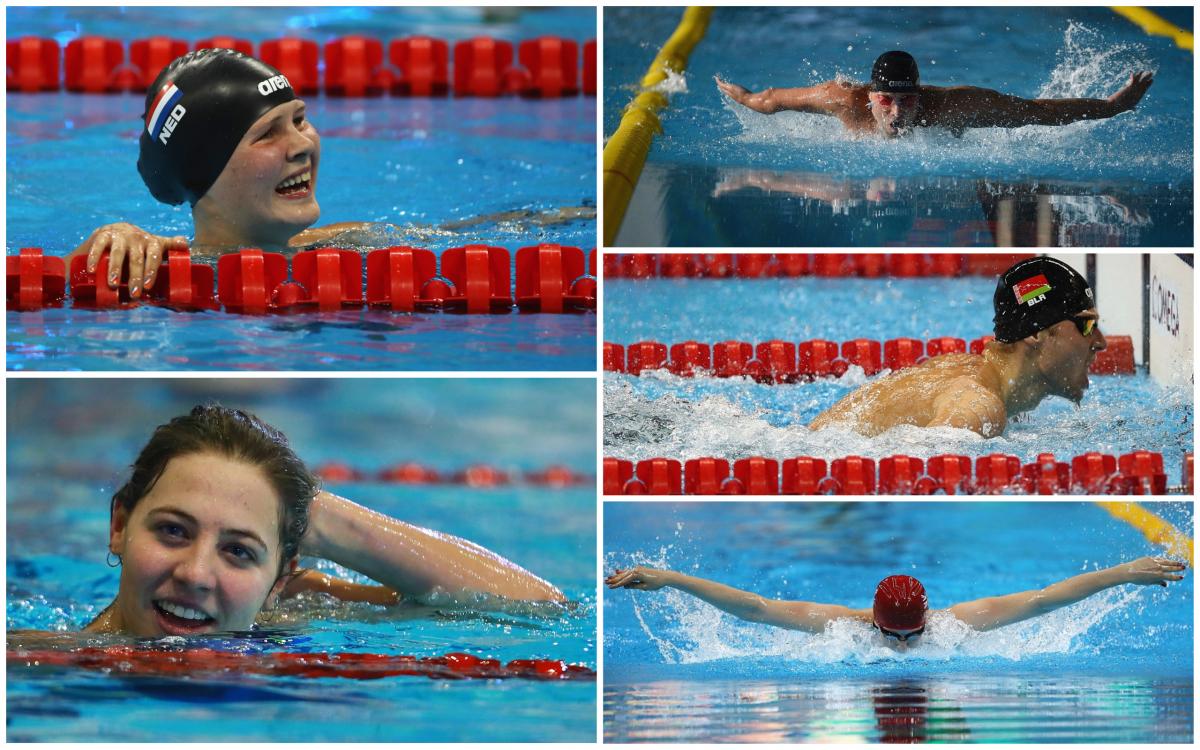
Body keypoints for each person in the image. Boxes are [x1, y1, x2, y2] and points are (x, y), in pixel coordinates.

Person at [66, 48, 595, 300]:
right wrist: (114, 242)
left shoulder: (345, 246)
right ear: (207, 171)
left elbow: (476, 233)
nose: (303, 145)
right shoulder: (162, 271)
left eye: (300, 119)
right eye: (268, 133)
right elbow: (76, 283)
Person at [82, 404, 564, 637]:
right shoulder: (30, 664)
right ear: (120, 525)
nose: (194, 574)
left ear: (281, 577)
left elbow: (540, 607)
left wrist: (315, 519)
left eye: (239, 550)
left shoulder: (292, 609)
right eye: (172, 531)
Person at [808, 256, 1107, 438]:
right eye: (1086, 325)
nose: (1101, 342)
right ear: (1038, 334)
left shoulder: (972, 371)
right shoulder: (979, 407)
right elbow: (917, 472)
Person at [606, 557, 1186, 649]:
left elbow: (1043, 600)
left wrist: (1123, 572)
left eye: (912, 637)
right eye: (895, 639)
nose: (906, 649)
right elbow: (754, 608)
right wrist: (670, 578)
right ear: (876, 624)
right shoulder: (844, 628)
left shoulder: (953, 625)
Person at [715, 50, 1154, 139]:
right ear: (871, 96)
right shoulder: (843, 100)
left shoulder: (954, 106)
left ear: (921, 94)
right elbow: (771, 99)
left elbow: (1035, 112)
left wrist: (1111, 107)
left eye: (907, 100)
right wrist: (743, 97)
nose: (897, 111)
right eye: (886, 100)